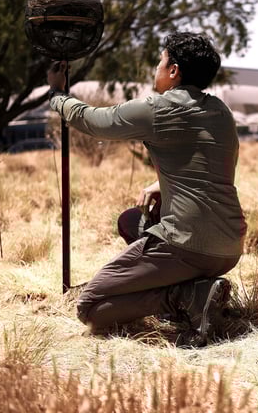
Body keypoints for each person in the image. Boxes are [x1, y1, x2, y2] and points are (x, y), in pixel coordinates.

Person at [46, 32, 246, 346]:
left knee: (91, 307)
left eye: (159, 62)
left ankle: (183, 297)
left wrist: (57, 94)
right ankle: (197, 293)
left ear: (174, 70)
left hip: (187, 245)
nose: (156, 68)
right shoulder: (221, 112)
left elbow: (94, 121)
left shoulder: (159, 108)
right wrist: (160, 184)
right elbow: (213, 167)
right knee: (131, 221)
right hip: (229, 246)